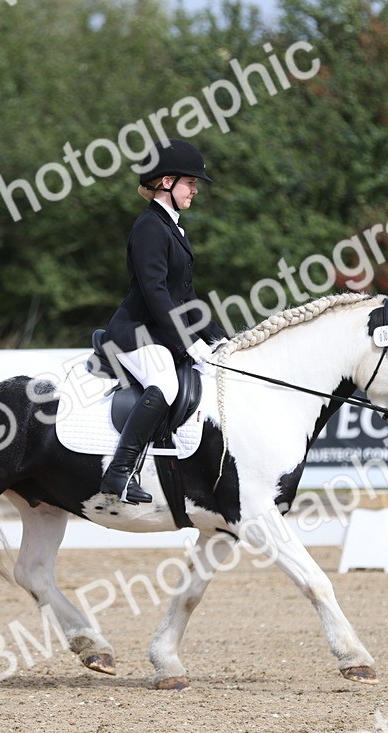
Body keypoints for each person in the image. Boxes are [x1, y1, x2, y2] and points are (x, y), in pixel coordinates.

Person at [98, 138, 228, 504]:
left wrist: (219, 338)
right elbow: (156, 294)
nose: (196, 190)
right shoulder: (149, 227)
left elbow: (185, 297)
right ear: (167, 182)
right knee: (165, 384)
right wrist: (189, 342)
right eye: (191, 183)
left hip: (158, 333)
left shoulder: (172, 228)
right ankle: (119, 472)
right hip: (134, 333)